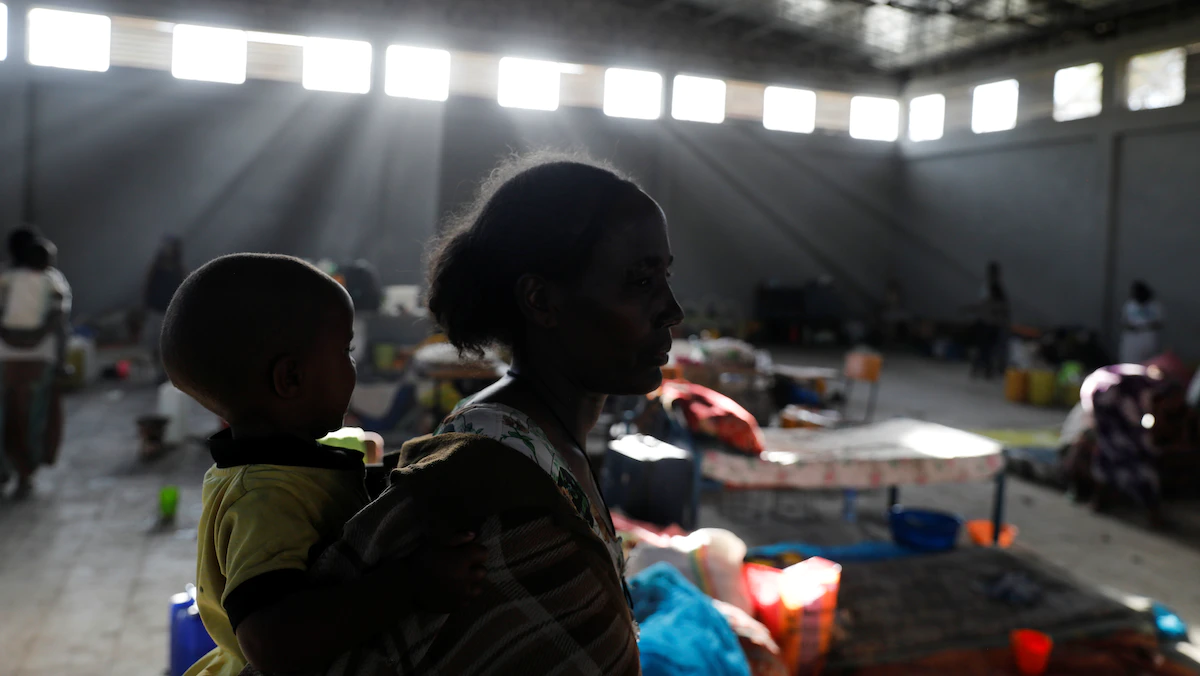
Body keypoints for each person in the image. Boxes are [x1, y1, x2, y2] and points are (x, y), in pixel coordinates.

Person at [265, 154, 681, 676]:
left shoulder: (546, 443)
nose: (672, 309)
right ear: (541, 300)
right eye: (640, 282)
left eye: (665, 275)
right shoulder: (480, 479)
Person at [162, 254, 485, 676]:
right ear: (291, 378)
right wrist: (412, 582)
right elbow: (272, 642)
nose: (353, 365)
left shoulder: (293, 463)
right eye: (345, 351)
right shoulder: (265, 498)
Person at [1065, 364, 1188, 529]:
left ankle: (1099, 502)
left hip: (1098, 395)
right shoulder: (1142, 392)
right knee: (1137, 462)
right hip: (1104, 397)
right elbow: (1142, 435)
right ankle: (1153, 515)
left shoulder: (1143, 383)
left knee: (1109, 452)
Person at [0, 235, 70, 499]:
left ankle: (8, 469)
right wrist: (58, 358)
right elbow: (58, 320)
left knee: (9, 414)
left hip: (8, 356)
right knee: (31, 416)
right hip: (38, 359)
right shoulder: (53, 281)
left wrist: (11, 335)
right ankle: (24, 472)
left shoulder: (6, 279)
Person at [144, 236, 187, 375]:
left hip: (171, 311)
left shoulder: (178, 269)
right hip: (156, 310)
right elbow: (148, 288)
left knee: (169, 343)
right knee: (154, 342)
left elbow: (183, 287)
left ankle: (168, 371)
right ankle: (159, 370)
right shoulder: (156, 268)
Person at [969, 261, 1009, 380]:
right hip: (989, 323)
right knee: (986, 348)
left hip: (989, 322)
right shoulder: (991, 287)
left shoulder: (992, 286)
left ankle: (984, 369)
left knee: (986, 348)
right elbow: (991, 306)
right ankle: (984, 370)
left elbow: (990, 305)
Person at [1119, 280, 1163, 365]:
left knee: (1148, 362)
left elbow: (1160, 322)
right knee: (1129, 361)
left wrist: (1145, 326)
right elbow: (1123, 321)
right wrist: (1131, 327)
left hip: (1148, 337)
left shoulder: (1155, 306)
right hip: (1132, 338)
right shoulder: (1130, 305)